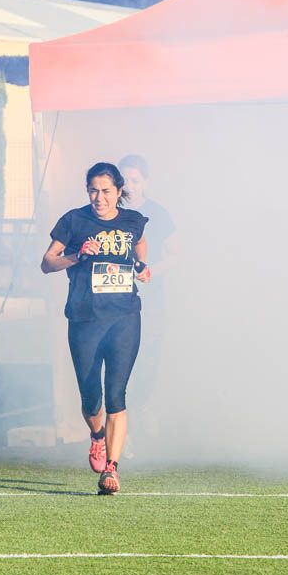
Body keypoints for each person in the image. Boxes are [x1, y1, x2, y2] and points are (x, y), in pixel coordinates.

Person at [41, 162, 151, 494]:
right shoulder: (74, 221)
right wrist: (75, 255)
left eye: (105, 191)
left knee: (117, 394)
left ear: (119, 191)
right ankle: (97, 435)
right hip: (85, 319)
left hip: (124, 318)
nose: (99, 198)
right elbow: (47, 263)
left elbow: (140, 251)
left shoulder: (133, 222)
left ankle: (112, 470)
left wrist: (143, 268)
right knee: (91, 398)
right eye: (93, 190)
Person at [117, 155, 176, 420]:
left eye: (135, 180)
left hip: (149, 303)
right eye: (124, 179)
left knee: (147, 362)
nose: (129, 185)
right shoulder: (107, 211)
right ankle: (117, 423)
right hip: (113, 302)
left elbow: (177, 254)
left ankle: (135, 415)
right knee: (118, 361)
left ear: (145, 183)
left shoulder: (159, 214)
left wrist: (150, 272)